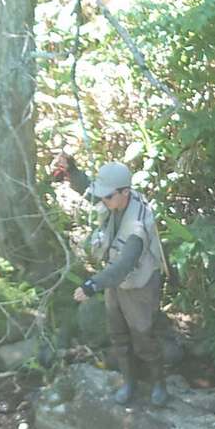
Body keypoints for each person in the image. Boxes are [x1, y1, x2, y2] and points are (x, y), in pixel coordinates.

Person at [56, 157, 170, 407]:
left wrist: (91, 285)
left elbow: (123, 266)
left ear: (125, 192)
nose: (103, 200)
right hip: (114, 283)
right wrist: (71, 169)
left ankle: (159, 383)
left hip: (138, 284)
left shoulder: (138, 224)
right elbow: (87, 189)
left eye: (107, 196)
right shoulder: (114, 198)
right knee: (118, 334)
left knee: (143, 336)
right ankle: (129, 381)